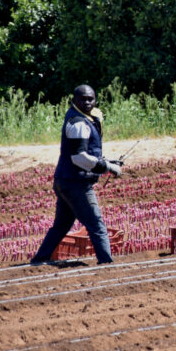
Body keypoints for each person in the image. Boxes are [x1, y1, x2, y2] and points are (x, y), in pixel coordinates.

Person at [31, 85, 122, 265]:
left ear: (95, 100)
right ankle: (107, 263)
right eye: (83, 99)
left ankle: (39, 259)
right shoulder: (79, 123)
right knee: (96, 224)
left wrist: (107, 161)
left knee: (62, 225)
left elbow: (85, 155)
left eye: (91, 99)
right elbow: (79, 158)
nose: (87, 102)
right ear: (74, 100)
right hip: (75, 183)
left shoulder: (81, 118)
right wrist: (107, 167)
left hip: (64, 180)